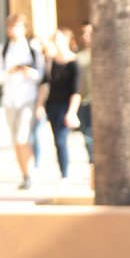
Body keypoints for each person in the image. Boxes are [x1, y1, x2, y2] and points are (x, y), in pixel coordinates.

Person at [1, 13, 45, 189]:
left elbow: (42, 76)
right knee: (16, 141)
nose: (13, 29)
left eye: (16, 26)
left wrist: (28, 71)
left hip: (28, 99)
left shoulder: (33, 50)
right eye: (10, 26)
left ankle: (31, 172)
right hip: (9, 100)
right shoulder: (3, 50)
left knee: (22, 138)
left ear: (24, 29)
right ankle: (25, 175)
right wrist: (10, 71)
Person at [43, 28, 81, 180]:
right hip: (51, 105)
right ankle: (62, 172)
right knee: (56, 141)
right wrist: (40, 105)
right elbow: (45, 84)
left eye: (59, 38)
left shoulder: (74, 63)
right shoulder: (51, 62)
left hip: (65, 106)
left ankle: (65, 175)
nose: (56, 42)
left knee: (60, 140)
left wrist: (71, 111)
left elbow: (76, 91)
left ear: (66, 40)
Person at [75, 20, 94, 165]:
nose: (86, 36)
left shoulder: (105, 54)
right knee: (87, 135)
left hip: (102, 102)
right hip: (83, 101)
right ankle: (94, 164)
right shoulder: (77, 56)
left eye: (89, 33)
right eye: (83, 33)